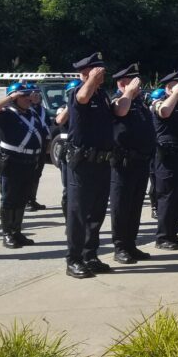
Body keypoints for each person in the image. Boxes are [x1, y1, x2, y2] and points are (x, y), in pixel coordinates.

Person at [64, 53, 115, 278]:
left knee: (96, 212)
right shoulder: (79, 92)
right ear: (86, 73)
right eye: (98, 71)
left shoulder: (102, 95)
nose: (102, 74)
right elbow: (83, 98)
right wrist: (90, 80)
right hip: (82, 163)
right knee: (78, 213)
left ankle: (90, 255)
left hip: (102, 162)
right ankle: (73, 259)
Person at [0, 82, 45, 249]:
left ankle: (17, 231)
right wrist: (11, 96)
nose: (28, 98)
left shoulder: (31, 113)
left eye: (28, 95)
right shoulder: (6, 113)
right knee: (9, 200)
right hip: (12, 162)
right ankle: (7, 234)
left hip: (30, 162)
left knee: (21, 199)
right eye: (24, 96)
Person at [108, 64, 156, 263]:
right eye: (133, 80)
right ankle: (120, 247)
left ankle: (131, 244)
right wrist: (127, 91)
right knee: (121, 206)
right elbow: (120, 112)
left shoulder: (139, 103)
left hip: (141, 161)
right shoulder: (118, 99)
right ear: (122, 82)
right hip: (123, 163)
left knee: (135, 206)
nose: (138, 84)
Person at [151, 71, 178, 251]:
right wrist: (175, 95)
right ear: (168, 87)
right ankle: (163, 237)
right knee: (168, 197)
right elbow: (164, 112)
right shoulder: (161, 102)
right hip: (168, 157)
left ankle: (173, 234)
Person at [55, 79, 81, 218]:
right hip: (67, 150)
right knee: (68, 188)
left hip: (81, 149)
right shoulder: (63, 108)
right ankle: (69, 220)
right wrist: (72, 103)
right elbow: (60, 120)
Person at [25, 85, 50, 212]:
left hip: (42, 145)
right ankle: (26, 200)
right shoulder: (26, 110)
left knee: (37, 174)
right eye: (34, 93)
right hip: (30, 146)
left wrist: (48, 144)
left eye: (38, 94)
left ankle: (32, 200)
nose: (37, 96)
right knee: (28, 175)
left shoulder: (42, 110)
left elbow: (48, 127)